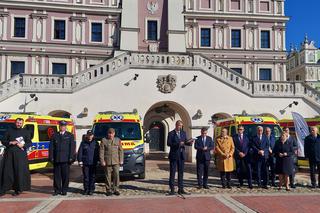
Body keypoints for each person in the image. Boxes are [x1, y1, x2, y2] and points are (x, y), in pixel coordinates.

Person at [0, 118, 32, 196]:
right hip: (9, 154)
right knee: (7, 172)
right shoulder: (9, 130)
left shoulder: (26, 132)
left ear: (22, 124)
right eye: (17, 122)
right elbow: (3, 140)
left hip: (20, 155)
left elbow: (29, 143)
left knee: (19, 172)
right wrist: (10, 142)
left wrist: (23, 145)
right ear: (15, 122)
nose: (18, 124)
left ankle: (18, 189)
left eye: (20, 123)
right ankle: (4, 189)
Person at [49, 120, 76, 196]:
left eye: (63, 126)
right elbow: (51, 147)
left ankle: (64, 190)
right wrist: (51, 157)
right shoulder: (54, 135)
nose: (62, 127)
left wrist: (71, 157)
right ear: (59, 126)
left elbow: (72, 147)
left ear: (65, 127)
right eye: (61, 126)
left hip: (66, 159)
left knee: (65, 176)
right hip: (57, 159)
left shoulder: (70, 135)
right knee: (57, 176)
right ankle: (57, 190)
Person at [167, 120, 193, 195]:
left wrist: (190, 143)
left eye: (181, 126)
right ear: (176, 125)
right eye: (179, 125)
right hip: (174, 155)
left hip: (181, 155)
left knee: (181, 173)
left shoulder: (183, 133)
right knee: (172, 172)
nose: (180, 127)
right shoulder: (171, 133)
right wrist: (178, 143)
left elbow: (185, 142)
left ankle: (180, 189)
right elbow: (168, 143)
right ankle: (172, 189)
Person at [100, 128, 123, 196]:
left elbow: (120, 151)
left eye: (112, 133)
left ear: (114, 134)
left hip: (116, 161)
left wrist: (121, 160)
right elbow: (101, 151)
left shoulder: (118, 140)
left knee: (116, 175)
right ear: (107, 134)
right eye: (109, 133)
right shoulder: (104, 140)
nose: (110, 135)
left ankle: (116, 189)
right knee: (108, 176)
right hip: (107, 161)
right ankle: (108, 189)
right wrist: (102, 160)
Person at [77, 130, 99, 195]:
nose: (90, 136)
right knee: (86, 177)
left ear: (93, 135)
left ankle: (91, 189)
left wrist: (98, 160)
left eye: (91, 135)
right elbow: (80, 152)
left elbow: (98, 153)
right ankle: (86, 189)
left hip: (93, 162)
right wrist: (80, 161)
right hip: (85, 163)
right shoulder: (83, 143)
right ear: (86, 135)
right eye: (89, 135)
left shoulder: (96, 143)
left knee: (92, 176)